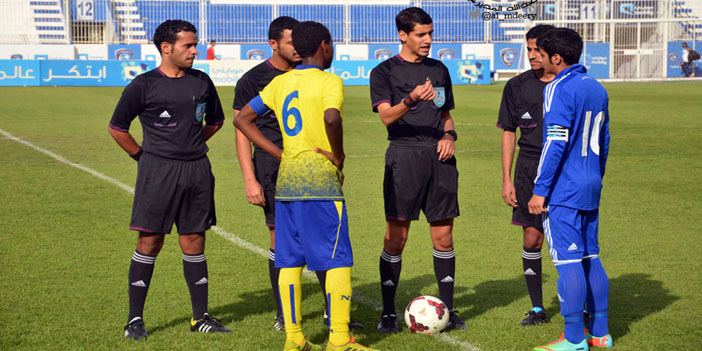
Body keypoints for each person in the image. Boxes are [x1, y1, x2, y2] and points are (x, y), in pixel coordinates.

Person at [234, 21, 376, 351]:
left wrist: (279, 151)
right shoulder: (329, 81)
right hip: (320, 181)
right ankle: (339, 341)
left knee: (289, 260)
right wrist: (338, 156)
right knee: (337, 259)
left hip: (286, 181)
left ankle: (294, 338)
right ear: (324, 45)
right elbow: (331, 118)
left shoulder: (281, 83)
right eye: (331, 45)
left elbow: (242, 119)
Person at [108, 19, 230, 341]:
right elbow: (117, 127)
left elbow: (215, 121)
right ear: (167, 47)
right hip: (157, 173)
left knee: (194, 240)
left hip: (197, 171)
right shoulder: (144, 85)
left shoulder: (202, 82)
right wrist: (143, 157)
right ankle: (134, 320)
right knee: (150, 241)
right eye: (188, 45)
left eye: (195, 44)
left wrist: (190, 144)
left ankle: (200, 317)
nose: (195, 50)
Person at [369, 7, 466, 333]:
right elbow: (386, 117)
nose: (427, 40)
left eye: (429, 34)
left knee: (443, 236)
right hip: (404, 157)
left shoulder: (439, 70)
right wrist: (411, 98)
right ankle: (387, 313)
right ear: (403, 35)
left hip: (439, 161)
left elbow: (445, 116)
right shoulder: (384, 72)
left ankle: (448, 311)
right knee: (396, 238)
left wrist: (450, 135)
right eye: (421, 35)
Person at [528, 27, 612, 350]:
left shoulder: (558, 88)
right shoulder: (597, 87)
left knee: (568, 261)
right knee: (592, 256)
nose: (539, 58)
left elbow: (556, 140)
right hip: (590, 184)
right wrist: (595, 176)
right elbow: (604, 140)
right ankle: (601, 334)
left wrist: (540, 189)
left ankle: (575, 339)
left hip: (564, 189)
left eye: (543, 54)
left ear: (557, 58)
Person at [497, 24, 555, 326]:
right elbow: (509, 131)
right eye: (529, 49)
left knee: (573, 240)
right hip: (528, 167)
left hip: (563, 168)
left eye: (537, 51)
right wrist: (507, 178)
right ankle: (537, 308)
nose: (531, 55)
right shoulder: (517, 86)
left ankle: (583, 304)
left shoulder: (567, 84)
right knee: (532, 239)